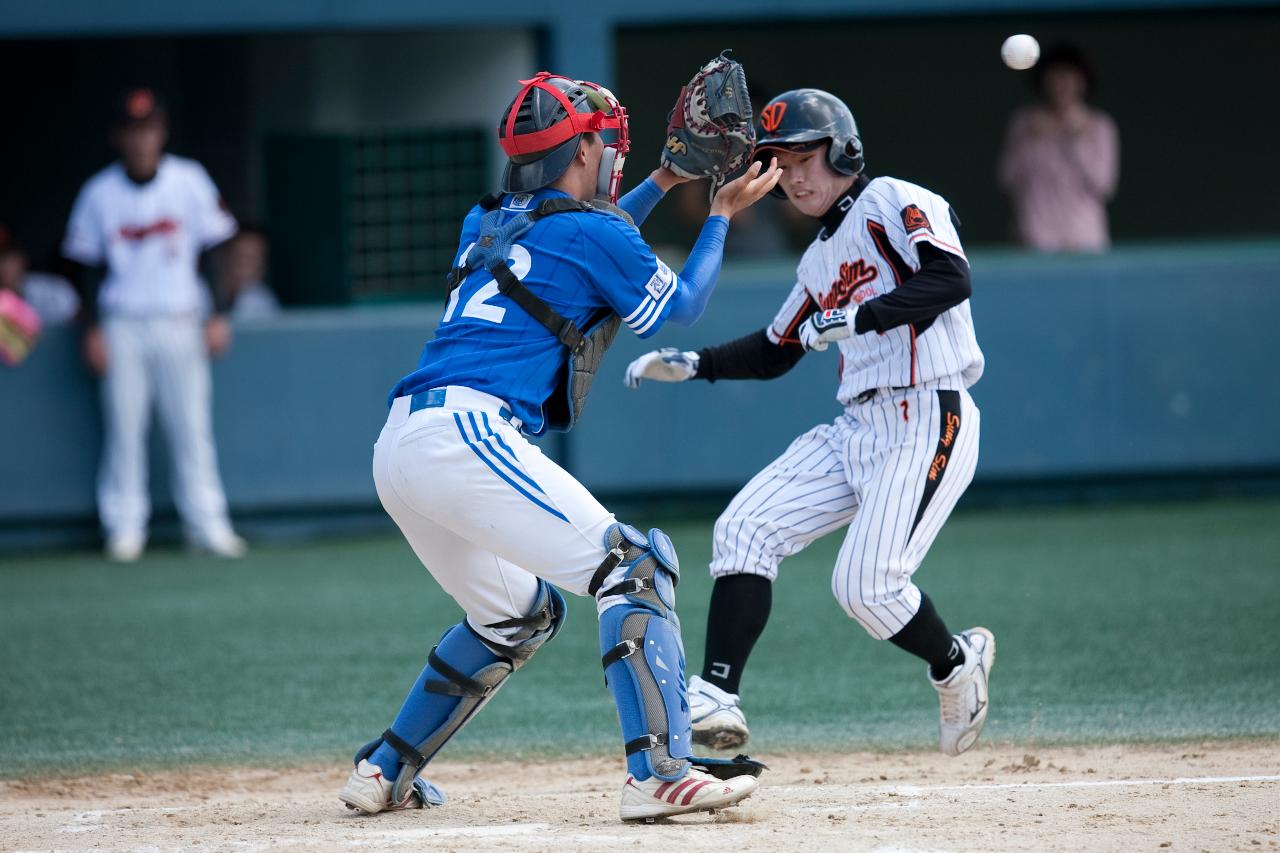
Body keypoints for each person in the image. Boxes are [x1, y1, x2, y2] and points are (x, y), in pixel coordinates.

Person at [336, 72, 782, 822]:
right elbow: (679, 302)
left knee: (517, 614)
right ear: (578, 150)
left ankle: (384, 769)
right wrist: (719, 218)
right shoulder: (588, 230)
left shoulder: (487, 221)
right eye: (602, 144)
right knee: (635, 566)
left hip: (402, 442)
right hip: (469, 433)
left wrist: (665, 178)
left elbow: (587, 239)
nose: (610, 155)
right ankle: (660, 772)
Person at [624, 88, 994, 757]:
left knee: (865, 587)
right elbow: (775, 350)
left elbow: (950, 277)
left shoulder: (894, 199)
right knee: (743, 527)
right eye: (780, 162)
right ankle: (716, 695)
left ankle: (956, 662)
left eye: (805, 157)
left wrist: (865, 315)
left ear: (843, 149)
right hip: (858, 423)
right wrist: (695, 363)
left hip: (928, 410)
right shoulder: (819, 259)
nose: (794, 176)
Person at [62, 88, 246, 563]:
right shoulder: (99, 192)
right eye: (133, 130)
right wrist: (92, 329)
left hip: (181, 317)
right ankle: (124, 528)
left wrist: (219, 313)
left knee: (192, 427)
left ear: (160, 132)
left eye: (149, 129)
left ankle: (208, 525)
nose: (142, 139)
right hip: (123, 322)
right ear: (119, 136)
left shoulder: (188, 180)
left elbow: (215, 249)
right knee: (124, 429)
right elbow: (85, 267)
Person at [998, 43, 1119, 252]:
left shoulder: (1099, 125)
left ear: (1082, 81)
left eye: (1069, 77)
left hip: (1085, 240)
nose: (1061, 84)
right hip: (1034, 240)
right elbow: (1007, 179)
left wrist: (1076, 141)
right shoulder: (1025, 123)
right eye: (1055, 77)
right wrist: (1033, 140)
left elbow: (1104, 185)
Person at [0, 225, 80, 327]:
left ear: (21, 258)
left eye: (6, 258)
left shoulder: (55, 289)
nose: (2, 267)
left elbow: (83, 328)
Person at [214, 227, 279, 319]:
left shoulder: (262, 302)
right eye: (238, 256)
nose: (242, 264)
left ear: (262, 267)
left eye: (251, 259)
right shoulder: (204, 292)